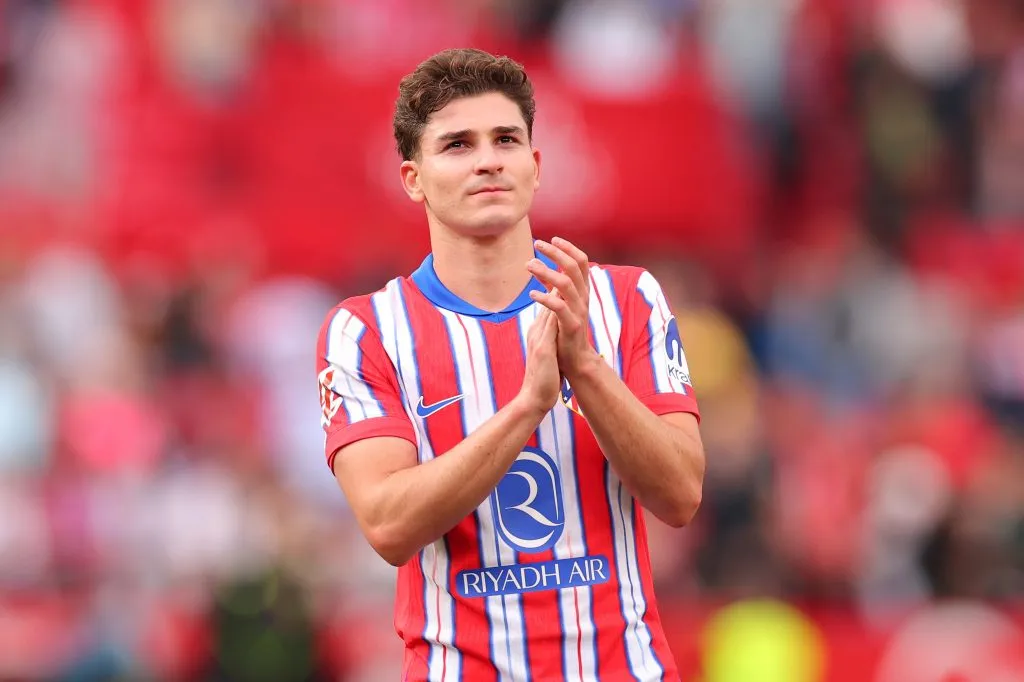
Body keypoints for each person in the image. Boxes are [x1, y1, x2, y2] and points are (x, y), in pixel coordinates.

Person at [316, 47, 705, 681]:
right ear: (413, 178)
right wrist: (526, 406)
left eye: (505, 139)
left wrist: (585, 365)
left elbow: (680, 494)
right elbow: (388, 524)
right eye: (457, 145)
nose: (488, 159)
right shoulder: (366, 331)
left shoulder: (627, 299)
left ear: (535, 164)